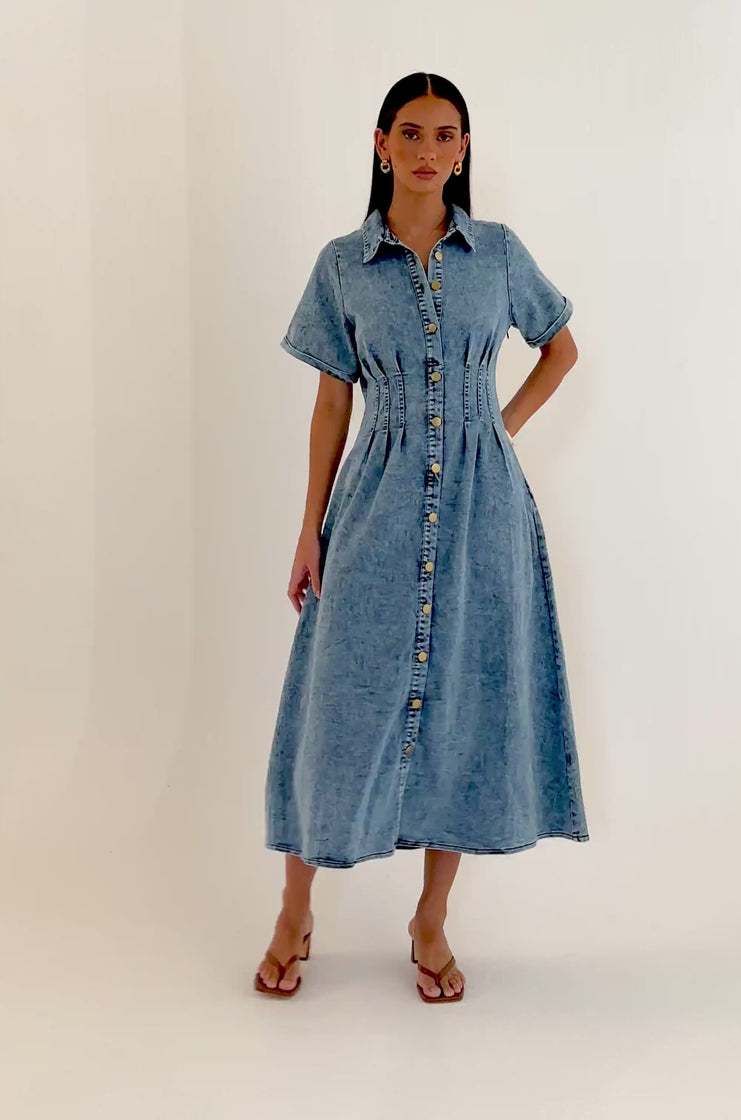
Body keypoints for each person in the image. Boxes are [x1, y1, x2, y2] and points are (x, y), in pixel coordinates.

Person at [255, 72, 590, 1003]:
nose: (428, 150)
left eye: (446, 135)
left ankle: (431, 918)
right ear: (381, 144)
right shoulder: (342, 265)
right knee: (337, 709)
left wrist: (497, 428)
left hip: (487, 513)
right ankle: (293, 909)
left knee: (465, 710)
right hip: (376, 505)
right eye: (411, 132)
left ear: (464, 150)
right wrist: (309, 528)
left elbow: (561, 347)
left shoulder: (499, 253)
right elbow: (332, 401)